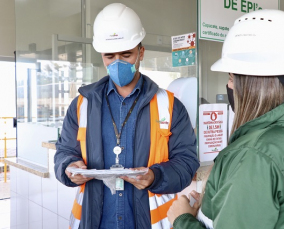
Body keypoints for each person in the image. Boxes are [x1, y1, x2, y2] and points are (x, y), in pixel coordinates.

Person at [167, 9, 284, 229]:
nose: (229, 87)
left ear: (254, 85)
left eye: (232, 78)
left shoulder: (253, 155)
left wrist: (182, 219)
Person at [54, 3, 199, 229]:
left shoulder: (169, 106)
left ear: (141, 52)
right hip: (95, 222)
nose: (117, 62)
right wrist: (68, 167)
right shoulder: (82, 104)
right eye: (109, 56)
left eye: (126, 54)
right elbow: (64, 152)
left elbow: (187, 162)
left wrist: (155, 176)